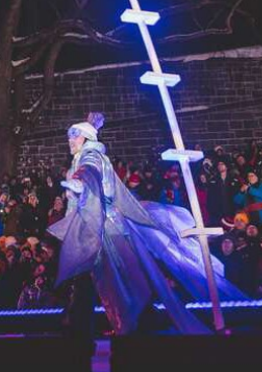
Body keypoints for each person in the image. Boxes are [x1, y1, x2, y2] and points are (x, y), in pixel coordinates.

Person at [48, 113, 243, 335]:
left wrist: (80, 183)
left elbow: (90, 171)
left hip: (108, 230)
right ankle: (102, 321)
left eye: (74, 137)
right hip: (96, 230)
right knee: (106, 278)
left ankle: (99, 323)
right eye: (69, 137)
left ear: (84, 139)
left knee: (114, 277)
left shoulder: (91, 156)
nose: (69, 141)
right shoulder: (81, 156)